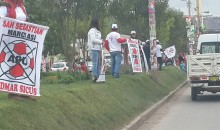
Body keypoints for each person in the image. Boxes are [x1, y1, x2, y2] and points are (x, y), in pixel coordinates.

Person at [0, 0, 29, 99]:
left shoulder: (22, 8)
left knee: (24, 65)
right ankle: (13, 92)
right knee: (12, 65)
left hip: (21, 41)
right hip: (9, 41)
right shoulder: (5, 7)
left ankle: (24, 90)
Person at [87, 18, 103, 82]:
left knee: (98, 64)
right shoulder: (92, 31)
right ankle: (94, 76)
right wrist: (100, 41)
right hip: (93, 49)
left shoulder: (97, 31)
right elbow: (93, 39)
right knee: (95, 63)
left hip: (98, 49)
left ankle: (99, 76)